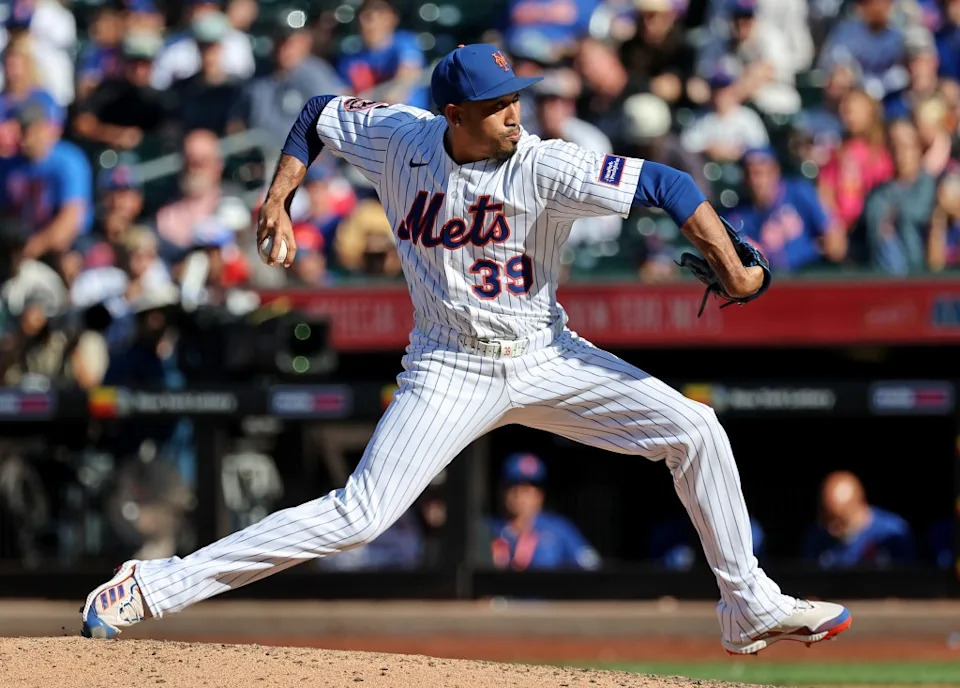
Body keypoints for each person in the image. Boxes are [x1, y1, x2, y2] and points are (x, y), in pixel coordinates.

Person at [81, 43, 852, 656]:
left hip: (545, 352)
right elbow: (316, 113)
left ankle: (746, 605)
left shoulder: (545, 163)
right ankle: (153, 586)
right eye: (496, 105)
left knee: (697, 430)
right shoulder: (400, 138)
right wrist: (278, 194)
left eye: (516, 97)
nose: (514, 113)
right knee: (359, 517)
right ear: (453, 112)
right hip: (447, 364)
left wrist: (737, 266)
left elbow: (671, 186)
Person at [485, 452, 600, 571]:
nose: (519, 495)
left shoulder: (559, 530)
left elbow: (592, 566)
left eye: (527, 489)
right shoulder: (487, 529)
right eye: (513, 487)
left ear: (540, 495)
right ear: (501, 491)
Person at [803, 471, 916, 569]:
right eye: (827, 519)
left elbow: (909, 583)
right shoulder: (816, 538)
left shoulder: (893, 534)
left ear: (859, 507)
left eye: (840, 521)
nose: (831, 529)